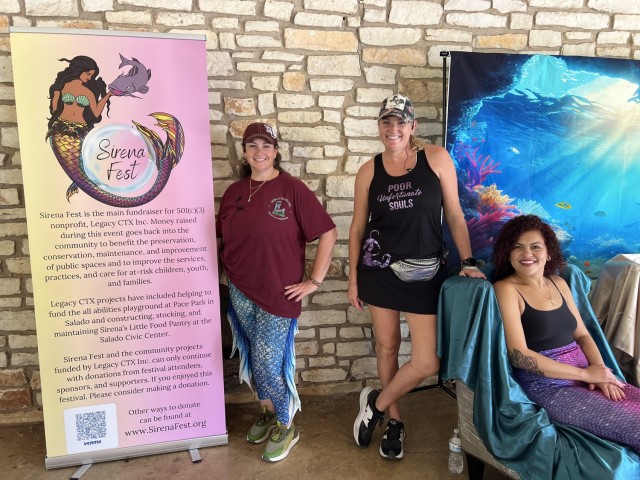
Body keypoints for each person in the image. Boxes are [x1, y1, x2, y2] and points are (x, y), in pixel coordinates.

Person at [349, 94, 486, 459]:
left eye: (400, 123)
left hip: (427, 272)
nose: (393, 129)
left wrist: (468, 259)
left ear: (412, 127)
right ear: (380, 127)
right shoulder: (369, 171)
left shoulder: (436, 159)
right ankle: (394, 421)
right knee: (388, 346)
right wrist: (352, 280)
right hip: (378, 271)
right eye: (386, 122)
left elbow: (455, 215)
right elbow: (357, 228)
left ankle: (376, 404)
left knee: (428, 362)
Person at [216, 122, 337, 462]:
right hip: (239, 288)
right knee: (254, 357)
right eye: (252, 145)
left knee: (269, 363)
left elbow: (328, 232)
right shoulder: (234, 192)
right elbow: (221, 238)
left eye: (266, 145)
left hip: (279, 293)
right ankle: (267, 411)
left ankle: (287, 424)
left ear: (276, 151)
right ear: (244, 151)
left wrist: (313, 281)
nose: (259, 151)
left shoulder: (292, 189)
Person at [492, 214, 640, 452]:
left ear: (549, 252)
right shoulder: (506, 289)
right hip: (549, 387)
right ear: (508, 253)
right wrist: (584, 374)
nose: (527, 254)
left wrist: (600, 373)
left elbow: (582, 335)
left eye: (535, 247)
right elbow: (518, 355)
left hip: (587, 376)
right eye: (517, 247)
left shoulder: (558, 283)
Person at [47, 56, 112, 199]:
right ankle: (79, 183)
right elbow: (54, 109)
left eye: (92, 75)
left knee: (82, 163)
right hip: (61, 130)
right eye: (88, 74)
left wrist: (108, 95)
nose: (90, 77)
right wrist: (57, 95)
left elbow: (95, 113)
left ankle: (81, 184)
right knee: (70, 164)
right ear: (79, 70)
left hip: (81, 131)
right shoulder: (61, 86)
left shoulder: (88, 92)